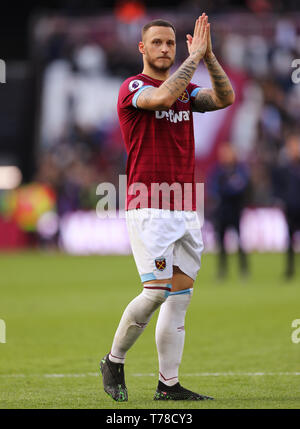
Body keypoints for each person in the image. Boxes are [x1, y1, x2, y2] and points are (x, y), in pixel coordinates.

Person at [100, 14, 235, 401]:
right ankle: (114, 359)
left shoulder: (188, 89)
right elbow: (160, 98)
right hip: (148, 204)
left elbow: (225, 98)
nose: (165, 49)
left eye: (171, 44)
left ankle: (168, 386)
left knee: (180, 296)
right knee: (156, 291)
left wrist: (207, 57)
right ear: (142, 48)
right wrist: (192, 59)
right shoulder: (134, 87)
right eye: (157, 43)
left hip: (185, 206)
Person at [208, 143, 250, 279]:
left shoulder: (239, 169)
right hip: (221, 212)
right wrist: (229, 188)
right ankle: (222, 270)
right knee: (221, 244)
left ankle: (244, 270)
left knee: (240, 241)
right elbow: (213, 189)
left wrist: (226, 189)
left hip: (235, 210)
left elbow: (241, 188)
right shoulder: (218, 171)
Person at [272, 133, 300, 278]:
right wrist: (282, 200)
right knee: (289, 240)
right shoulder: (284, 168)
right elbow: (278, 187)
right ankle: (290, 270)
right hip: (290, 208)